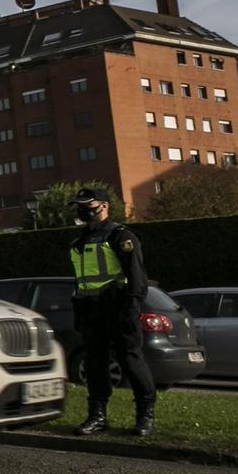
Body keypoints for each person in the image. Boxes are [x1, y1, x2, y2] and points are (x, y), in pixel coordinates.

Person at [67, 186, 156, 436]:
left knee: (130, 360)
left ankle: (145, 416)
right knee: (95, 364)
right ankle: (97, 416)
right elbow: (80, 281)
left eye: (88, 205)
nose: (82, 210)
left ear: (104, 206)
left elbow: (137, 278)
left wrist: (131, 309)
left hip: (117, 308)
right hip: (89, 310)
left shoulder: (121, 236)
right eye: (79, 205)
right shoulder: (78, 242)